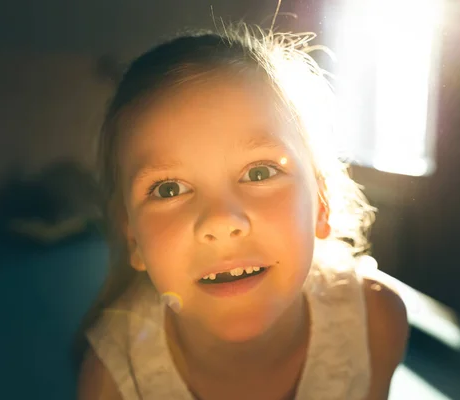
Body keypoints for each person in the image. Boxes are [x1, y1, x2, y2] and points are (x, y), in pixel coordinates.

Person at [77, 23, 408, 400]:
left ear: (321, 201)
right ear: (132, 235)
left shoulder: (375, 324)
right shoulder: (112, 383)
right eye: (169, 189)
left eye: (259, 172)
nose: (221, 221)